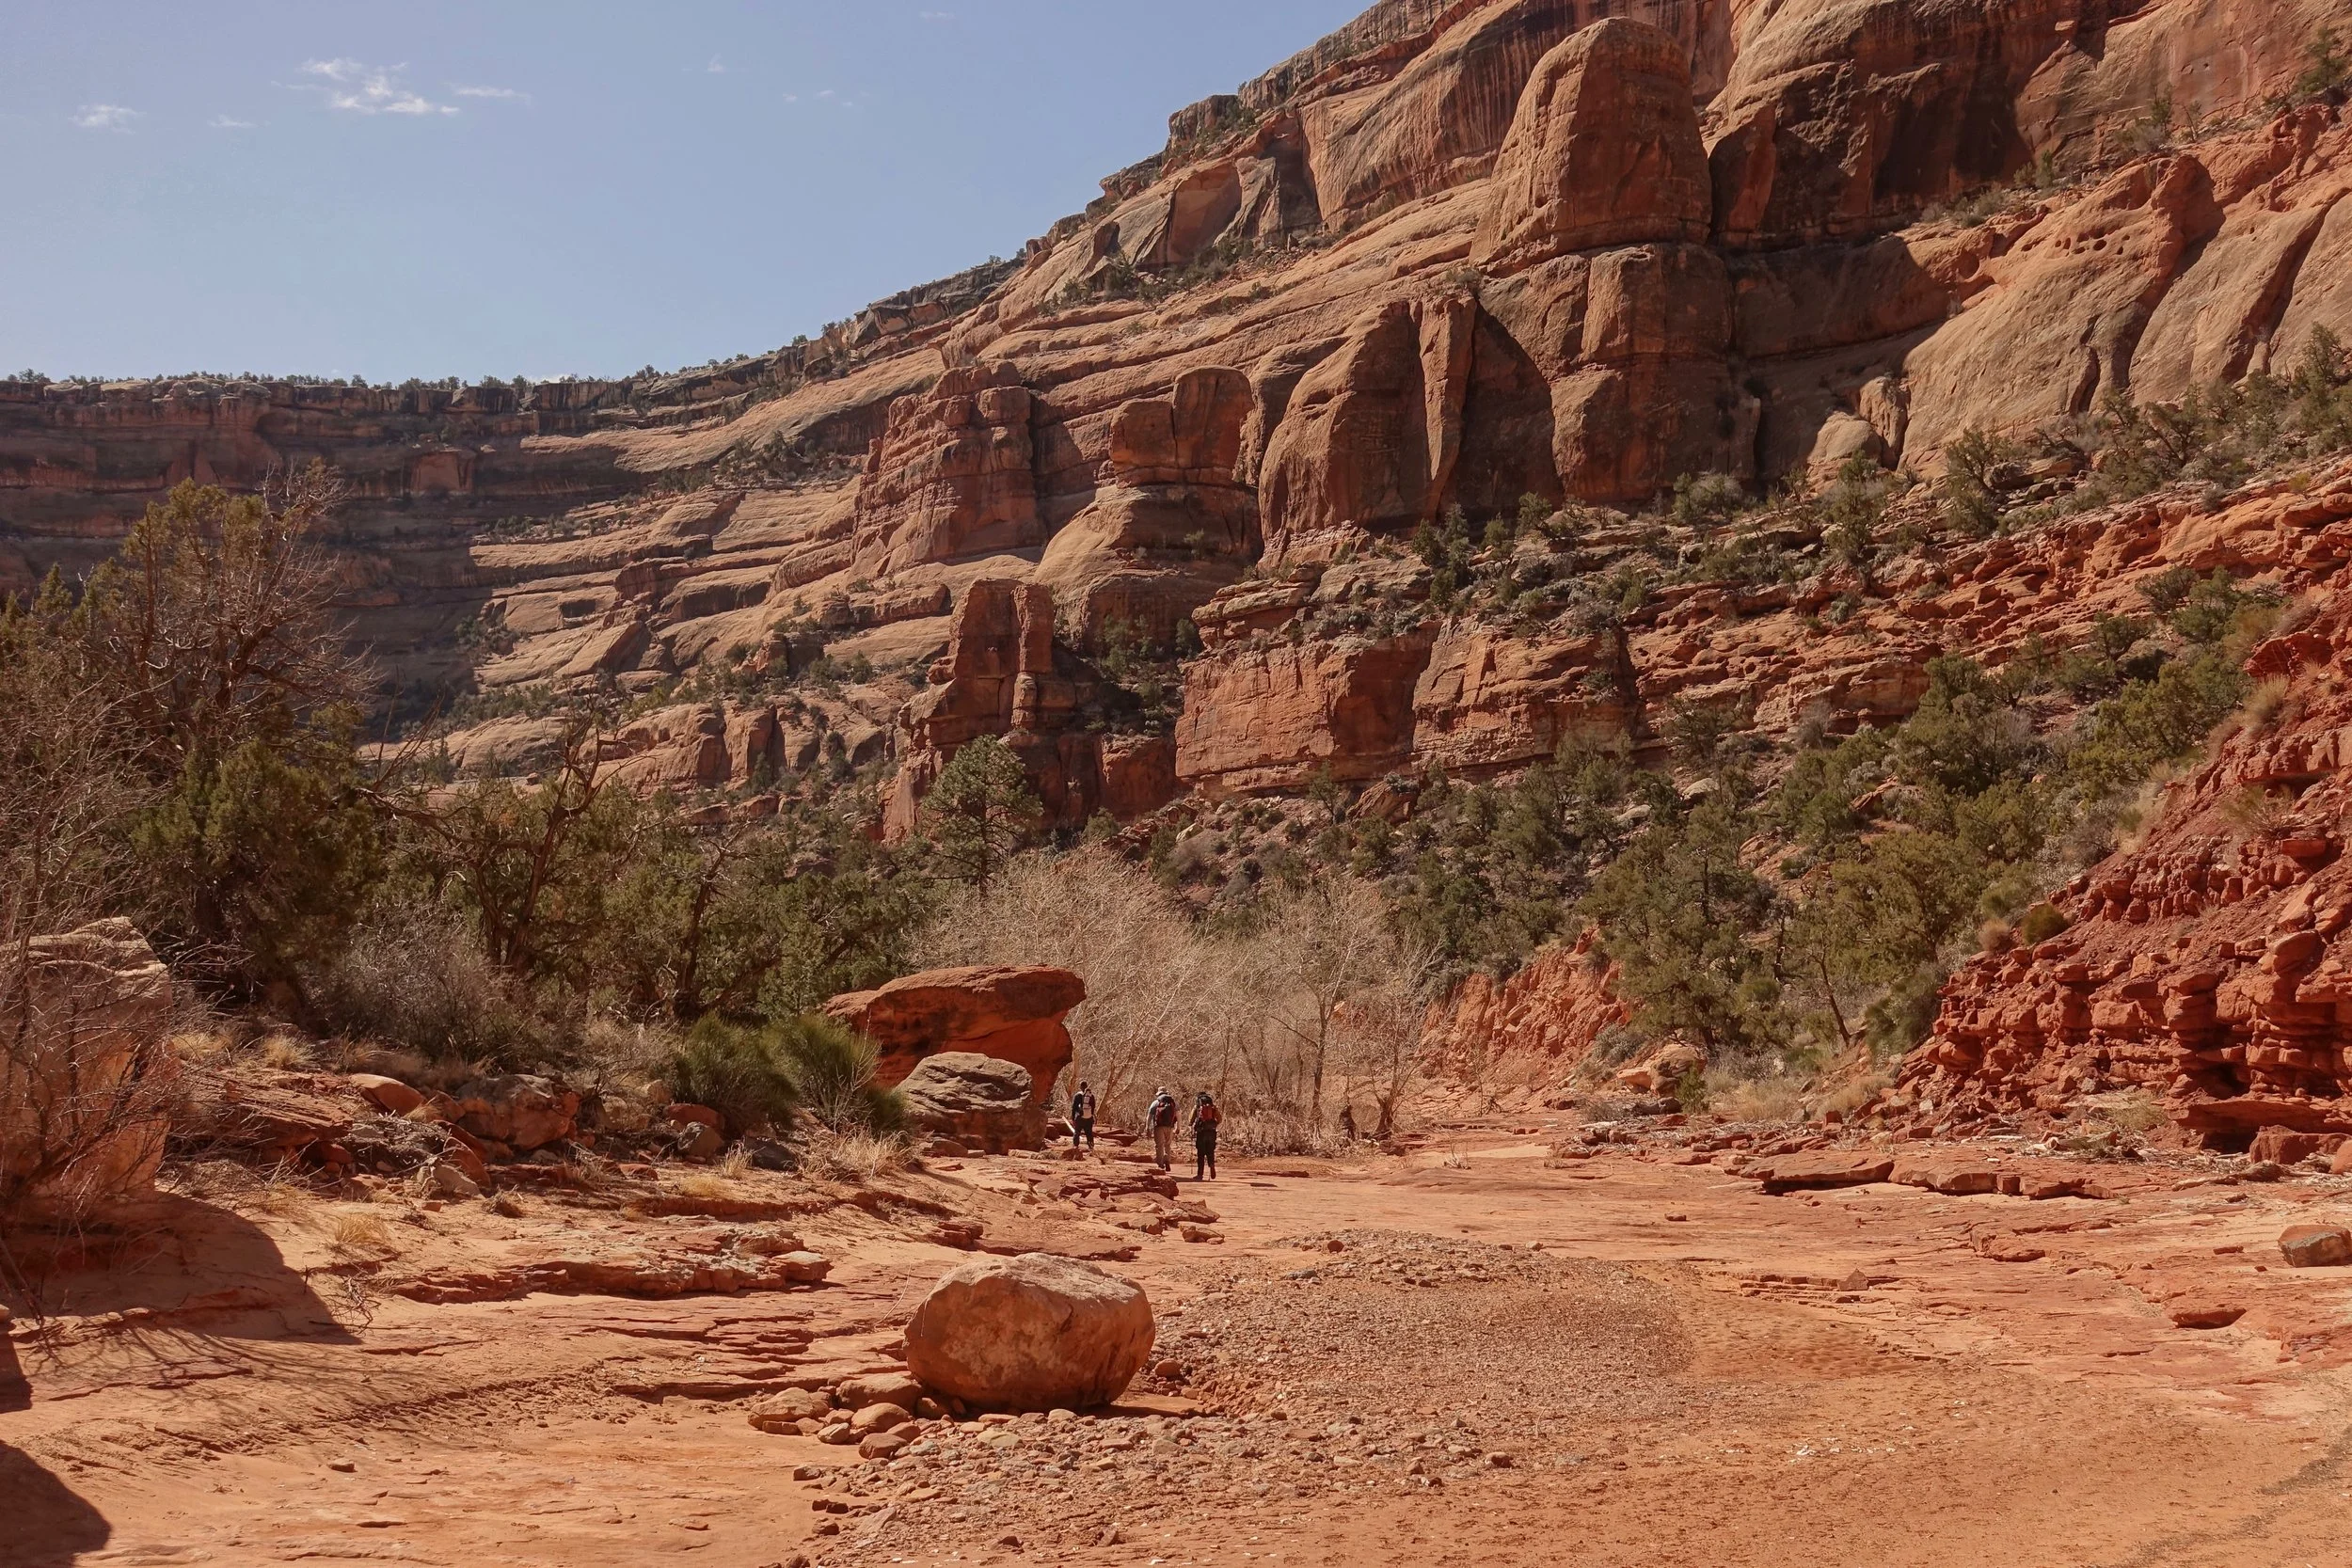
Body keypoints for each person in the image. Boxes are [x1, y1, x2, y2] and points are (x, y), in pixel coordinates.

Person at [1190, 1090, 1222, 1181]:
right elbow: (1219, 1119)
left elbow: (1191, 1119)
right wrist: (1213, 1124)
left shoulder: (1197, 1106)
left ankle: (1200, 1174)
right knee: (1210, 1151)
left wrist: (1192, 1124)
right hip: (1211, 1132)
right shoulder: (1213, 1107)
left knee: (1201, 1154)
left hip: (1201, 1132)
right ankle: (1211, 1165)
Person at [1148, 1086, 1178, 1170]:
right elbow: (1178, 1115)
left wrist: (1147, 1127)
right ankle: (1167, 1161)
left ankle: (1160, 1164)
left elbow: (1149, 1116)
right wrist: (1178, 1127)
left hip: (1159, 1127)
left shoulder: (1156, 1102)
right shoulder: (1173, 1102)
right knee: (1167, 1145)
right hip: (1170, 1127)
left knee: (1159, 1145)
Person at [1069, 1080, 1098, 1151]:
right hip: (1089, 1118)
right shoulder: (1091, 1096)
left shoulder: (1078, 1095)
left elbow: (1074, 1107)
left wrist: (1073, 1118)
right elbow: (1093, 1106)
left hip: (1080, 1117)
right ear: (1087, 1086)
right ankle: (1091, 1148)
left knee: (1077, 1133)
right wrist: (1091, 1116)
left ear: (1080, 1087)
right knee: (1089, 1133)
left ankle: (1075, 1147)